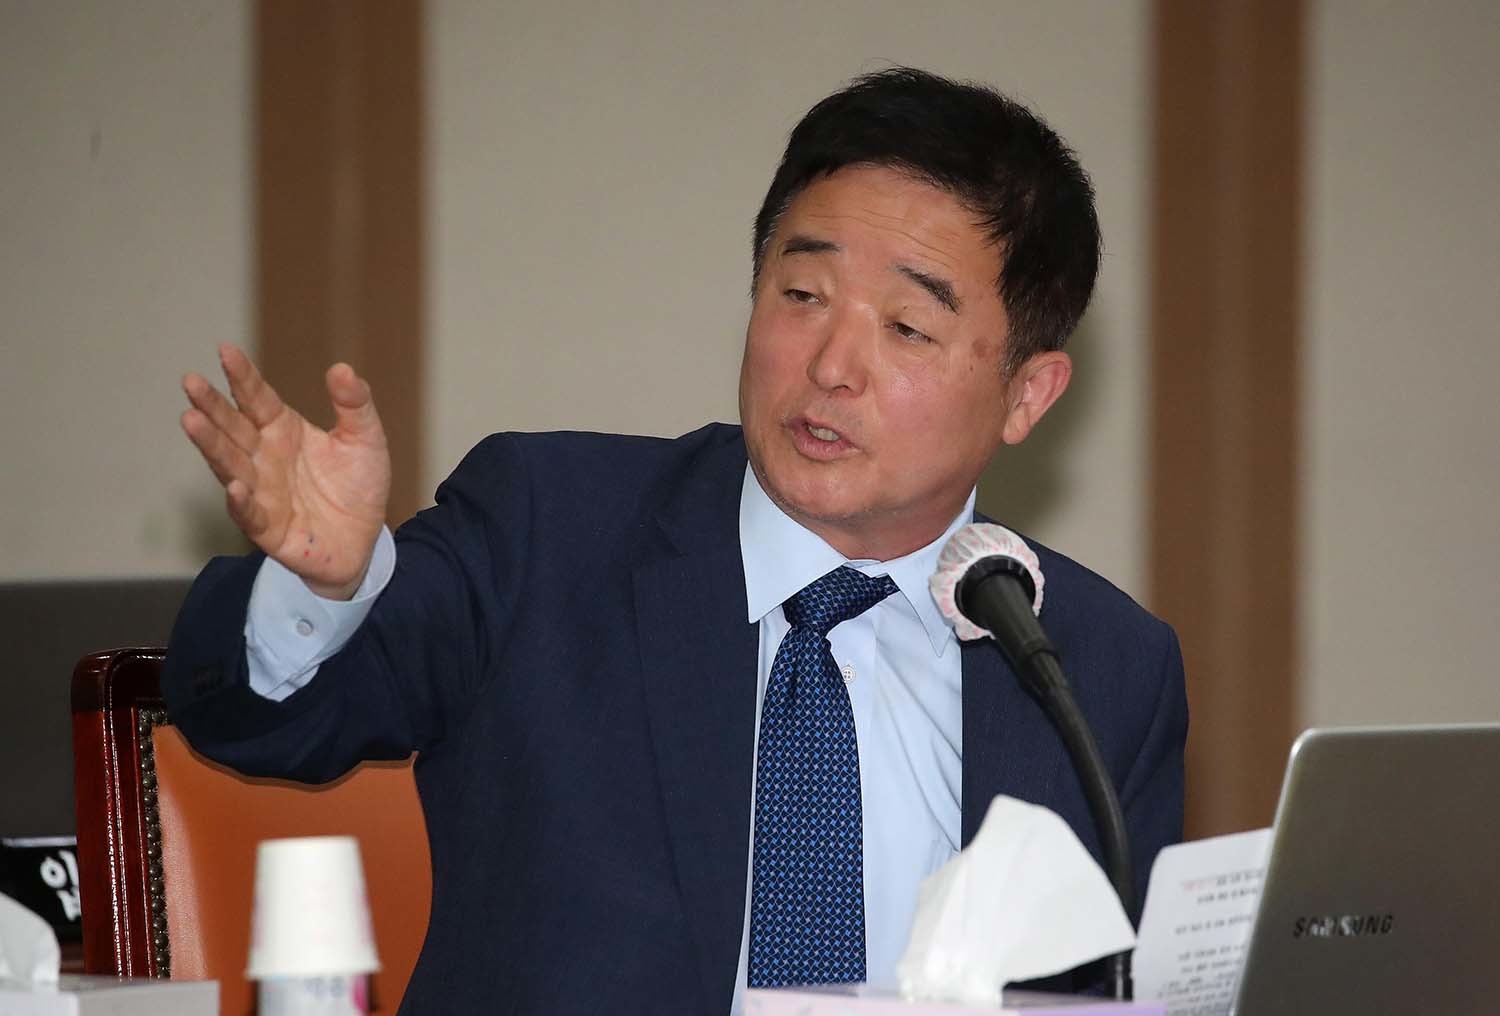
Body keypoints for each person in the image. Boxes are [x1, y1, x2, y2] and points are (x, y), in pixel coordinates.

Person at [167, 68, 1186, 1013]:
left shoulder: (1100, 671)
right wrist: (324, 584)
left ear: (1027, 393)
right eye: (802, 295)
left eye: (907, 328)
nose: (832, 364)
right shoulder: (547, 531)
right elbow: (261, 723)